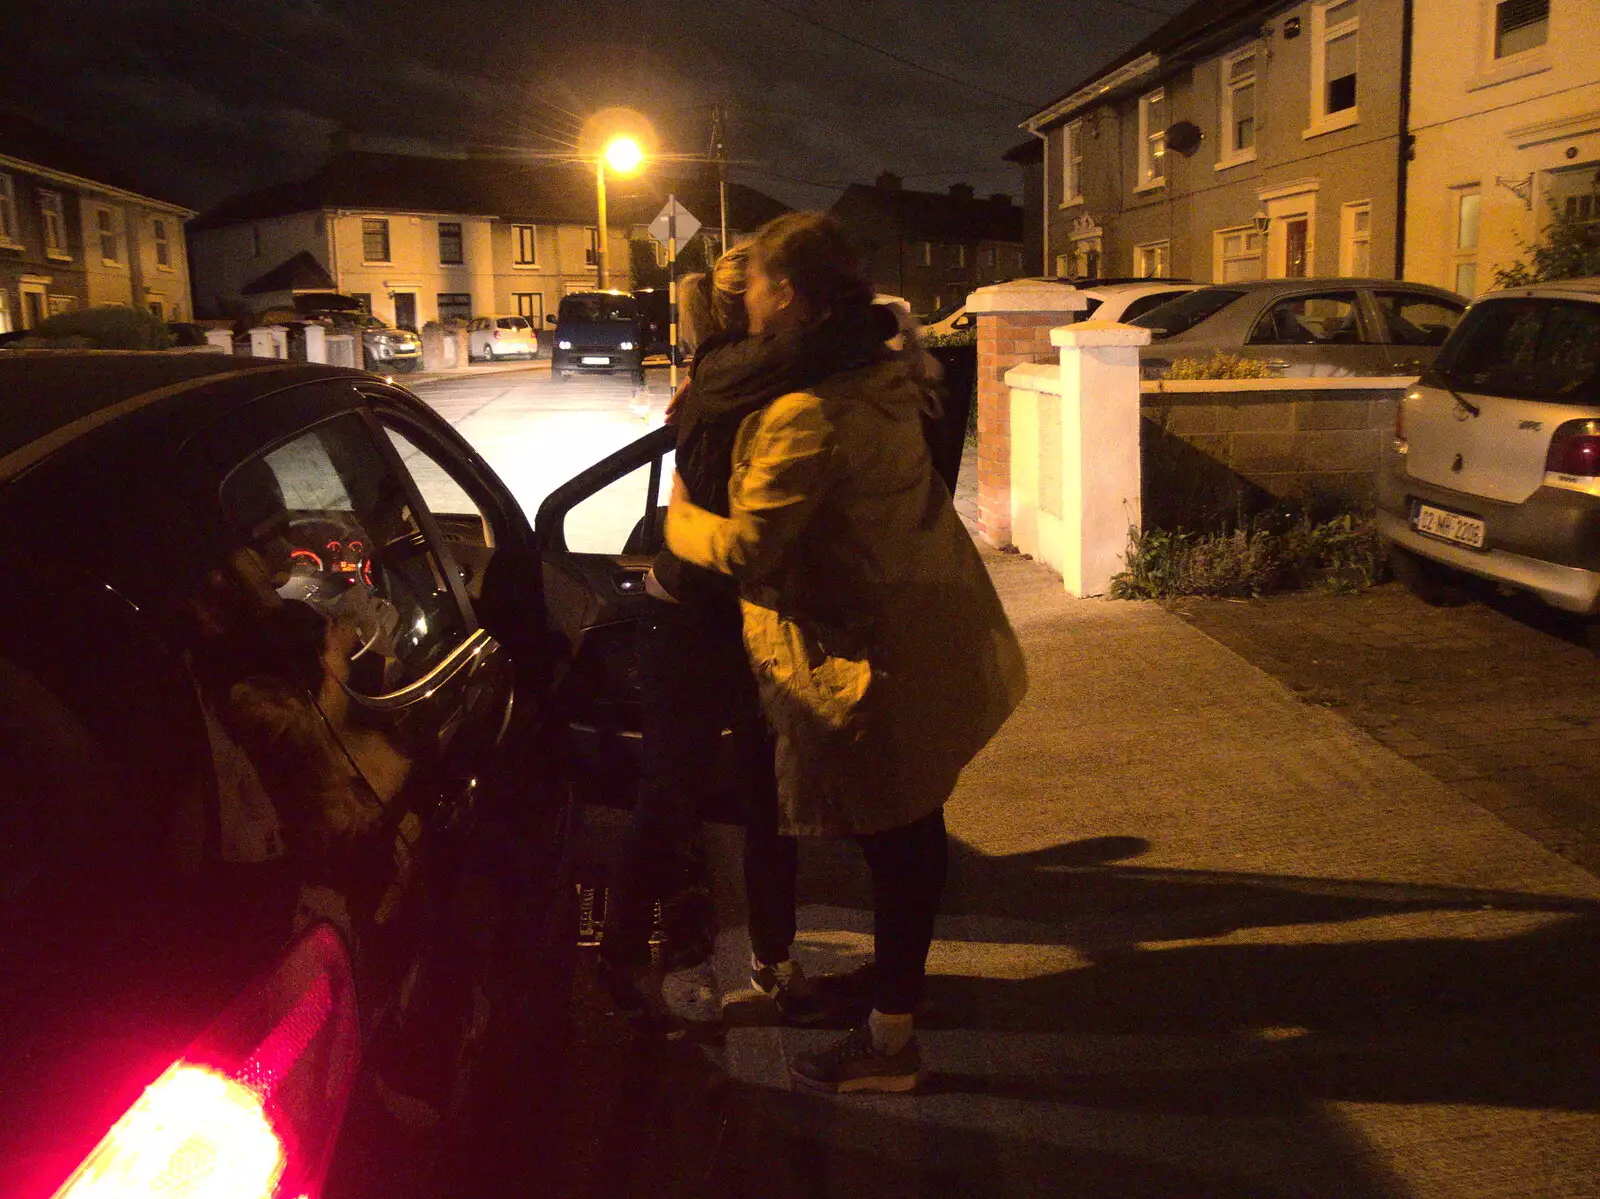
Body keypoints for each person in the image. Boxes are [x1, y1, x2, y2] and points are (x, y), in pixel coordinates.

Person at [665, 212, 1027, 1093]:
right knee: (912, 829)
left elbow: (753, 549)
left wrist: (679, 521)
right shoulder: (876, 369)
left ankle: (891, 1041)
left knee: (898, 840)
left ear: (786, 294)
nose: (743, 297)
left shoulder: (806, 412)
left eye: (754, 284)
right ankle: (897, 996)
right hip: (920, 626)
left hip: (870, 653)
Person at [597, 245, 899, 1030]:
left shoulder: (732, 383)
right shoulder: (735, 385)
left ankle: (767, 959)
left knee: (763, 798)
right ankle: (628, 957)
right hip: (696, 612)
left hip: (726, 609)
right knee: (686, 793)